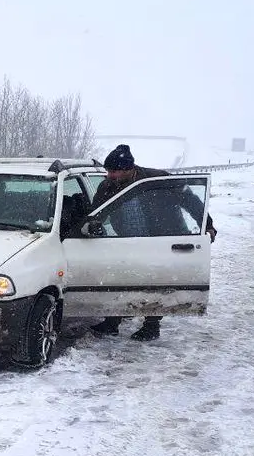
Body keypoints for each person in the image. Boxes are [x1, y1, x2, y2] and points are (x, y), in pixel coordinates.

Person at [89, 144, 217, 342]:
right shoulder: (107, 186)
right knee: (121, 281)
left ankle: (151, 325)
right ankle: (112, 322)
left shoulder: (157, 180)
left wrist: (207, 225)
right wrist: (92, 225)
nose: (109, 175)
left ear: (128, 168)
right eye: (108, 171)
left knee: (155, 283)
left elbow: (191, 202)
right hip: (127, 242)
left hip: (160, 240)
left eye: (114, 171)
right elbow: (97, 211)